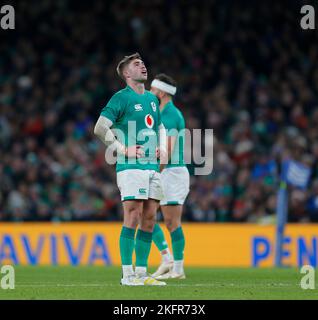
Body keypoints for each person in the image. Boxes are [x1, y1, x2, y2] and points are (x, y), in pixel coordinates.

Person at [94, 53, 167, 286]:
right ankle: (127, 275)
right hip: (130, 166)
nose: (143, 66)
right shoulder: (120, 98)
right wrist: (121, 149)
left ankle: (142, 274)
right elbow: (99, 127)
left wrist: (162, 148)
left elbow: (159, 127)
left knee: (149, 218)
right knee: (133, 215)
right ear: (126, 73)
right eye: (137, 64)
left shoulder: (153, 100)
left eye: (143, 63)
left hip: (152, 167)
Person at [150, 74, 190, 279]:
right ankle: (168, 259)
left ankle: (177, 268)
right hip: (164, 171)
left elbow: (169, 148)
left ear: (162, 92)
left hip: (172, 172)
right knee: (144, 214)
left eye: (153, 89)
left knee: (171, 222)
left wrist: (155, 169)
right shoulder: (163, 112)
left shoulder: (171, 114)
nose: (150, 92)